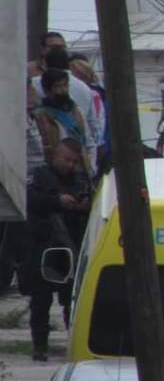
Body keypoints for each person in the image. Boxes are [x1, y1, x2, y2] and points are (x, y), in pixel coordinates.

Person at [20, 139, 91, 361]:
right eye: (66, 159)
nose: (69, 165)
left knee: (72, 302)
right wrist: (57, 201)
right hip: (44, 247)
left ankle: (74, 343)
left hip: (70, 250)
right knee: (40, 302)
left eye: (73, 161)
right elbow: (30, 200)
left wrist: (82, 205)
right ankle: (39, 346)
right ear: (55, 156)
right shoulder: (40, 176)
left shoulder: (80, 180)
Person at [31, 49, 100, 176]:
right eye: (57, 86)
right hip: (55, 174)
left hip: (80, 170)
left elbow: (89, 142)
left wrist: (91, 167)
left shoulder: (75, 110)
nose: (62, 90)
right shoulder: (40, 116)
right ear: (47, 90)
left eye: (65, 86)